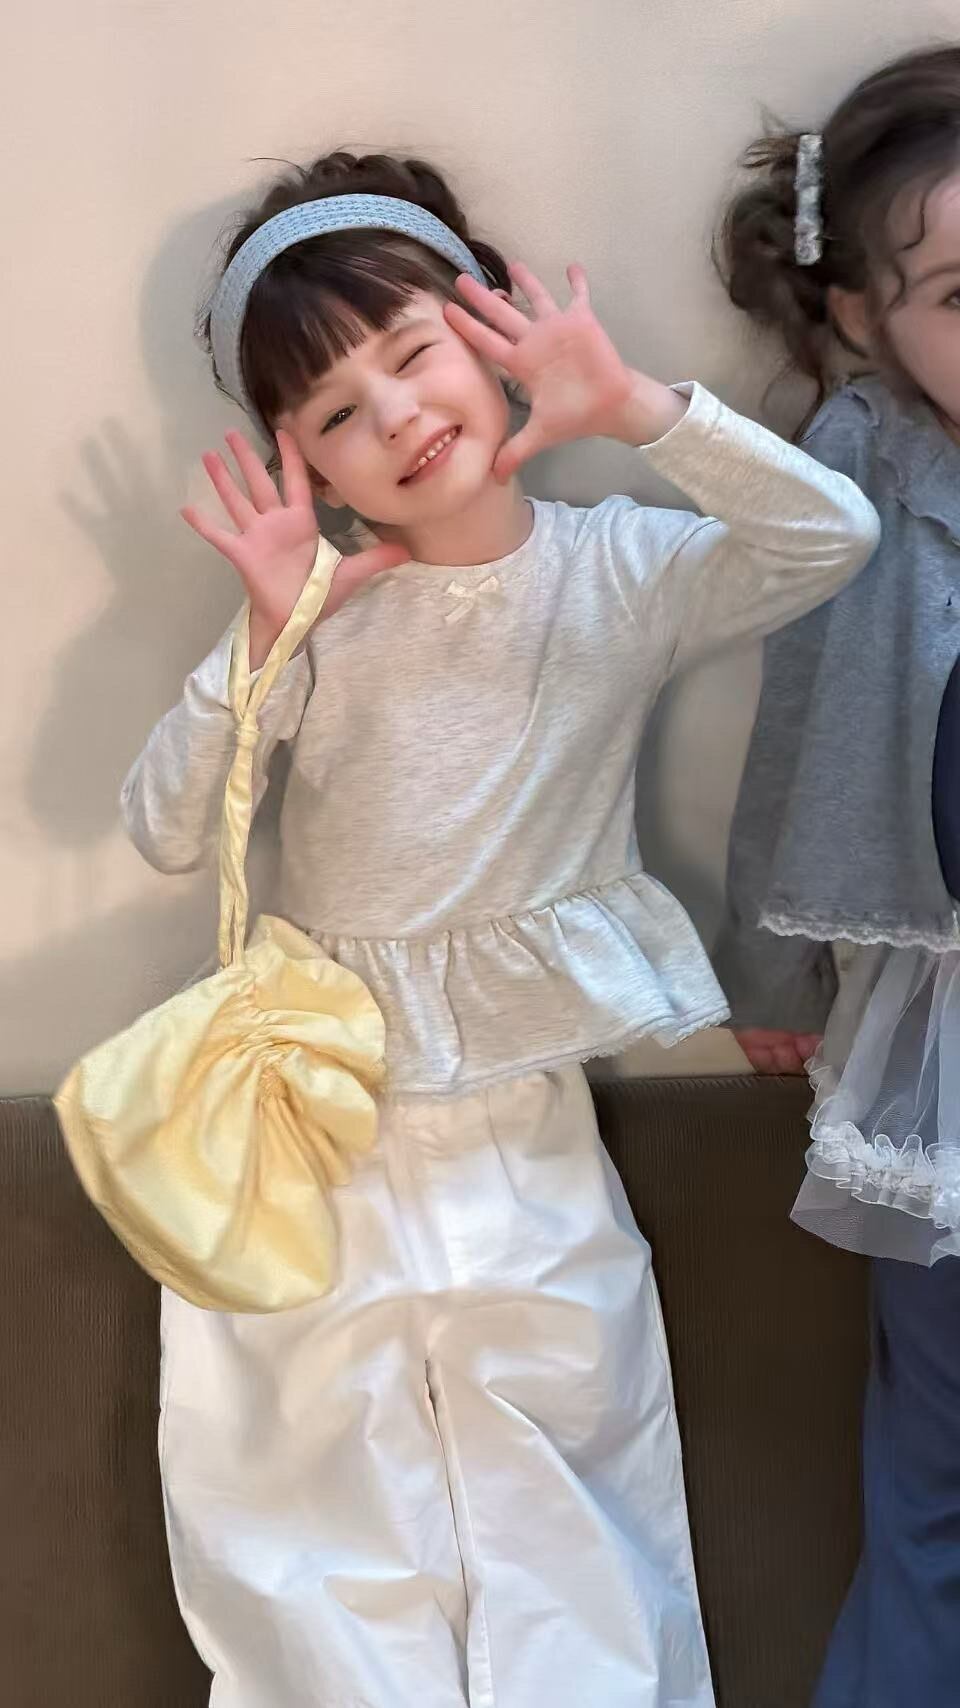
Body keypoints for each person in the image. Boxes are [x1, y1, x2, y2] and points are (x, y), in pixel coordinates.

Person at [124, 148, 877, 1706]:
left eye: (415, 354)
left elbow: (829, 541)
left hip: (520, 1113)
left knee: (568, 1485)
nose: (398, 415)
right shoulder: (324, 611)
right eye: (338, 411)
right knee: (316, 1506)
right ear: (304, 463)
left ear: (490, 331)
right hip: (310, 1111)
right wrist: (261, 634)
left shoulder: (617, 572)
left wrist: (638, 410)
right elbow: (166, 829)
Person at [714, 45, 960, 1708]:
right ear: (865, 315)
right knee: (933, 1471)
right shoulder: (858, 470)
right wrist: (771, 969)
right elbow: (796, 725)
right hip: (939, 1046)